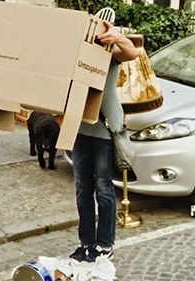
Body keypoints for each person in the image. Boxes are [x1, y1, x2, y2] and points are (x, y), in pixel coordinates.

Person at [69, 21, 139, 263]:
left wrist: (117, 37)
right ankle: (86, 243)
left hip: (105, 130)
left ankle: (105, 244)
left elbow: (132, 52)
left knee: (103, 188)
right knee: (82, 189)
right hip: (80, 129)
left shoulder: (109, 54)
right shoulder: (75, 56)